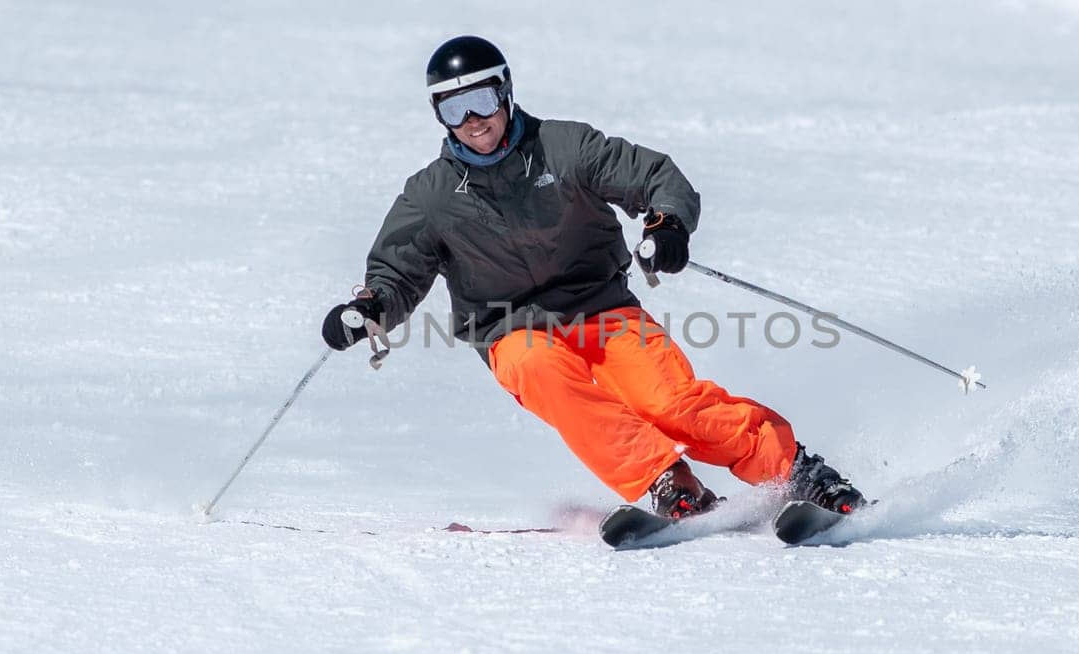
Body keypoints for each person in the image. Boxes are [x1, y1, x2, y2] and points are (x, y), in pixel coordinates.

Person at [322, 36, 867, 520]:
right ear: (439, 115)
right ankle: (668, 483)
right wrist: (370, 308)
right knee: (538, 367)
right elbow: (396, 271)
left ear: (506, 92)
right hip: (511, 330)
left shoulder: (564, 147)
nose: (474, 120)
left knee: (667, 403)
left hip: (602, 309)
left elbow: (654, 176)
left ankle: (797, 471)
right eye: (454, 107)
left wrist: (667, 223)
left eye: (482, 100)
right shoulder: (432, 195)